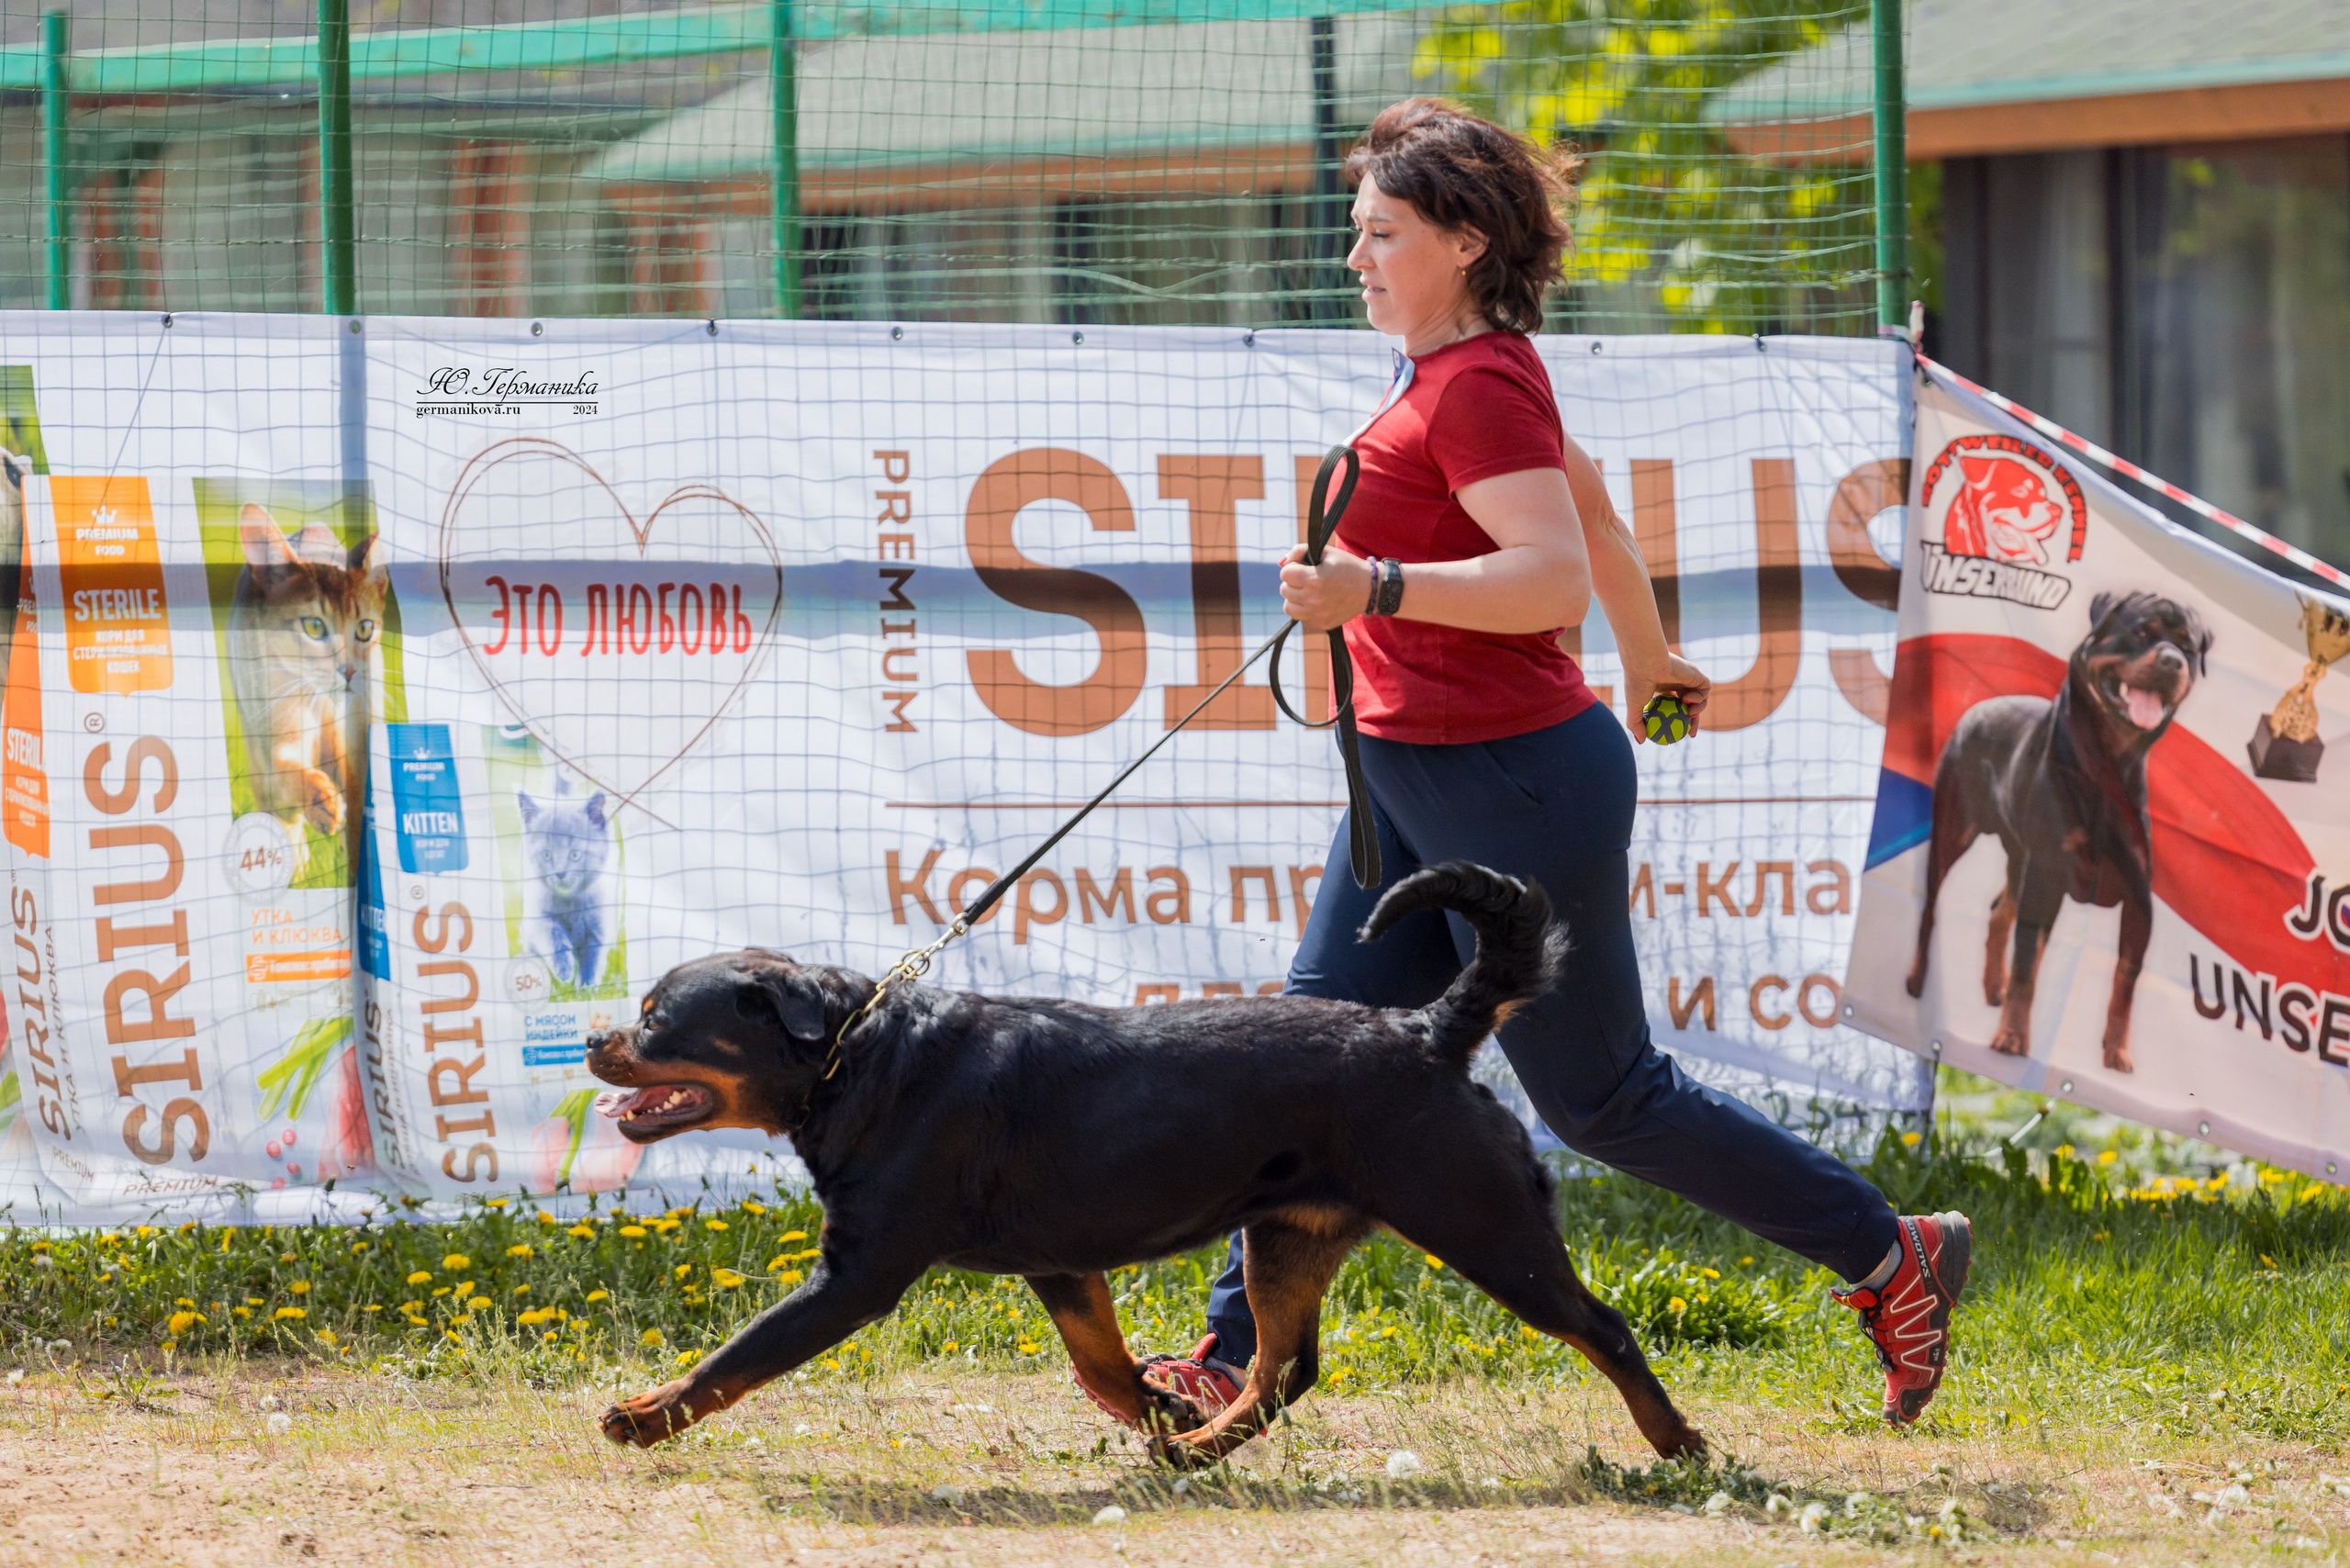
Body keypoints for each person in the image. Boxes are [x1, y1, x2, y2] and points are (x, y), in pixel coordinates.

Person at [1141, 99, 1971, 1428]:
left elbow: (1540, 575)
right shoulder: (1458, 371)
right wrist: (1648, 657)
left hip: (1515, 785)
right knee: (1304, 1059)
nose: (1356, 258)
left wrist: (1377, 585)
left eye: (1383, 234)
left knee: (1602, 1101)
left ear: (1465, 240)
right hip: (1416, 788)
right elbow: (1585, 506)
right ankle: (1238, 1360)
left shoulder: (1478, 382)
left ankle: (1891, 1254)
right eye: (1357, 232)